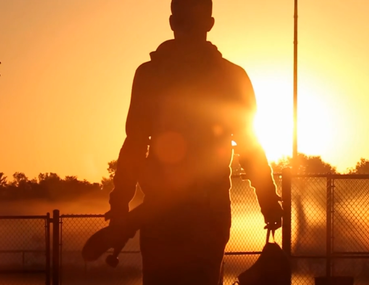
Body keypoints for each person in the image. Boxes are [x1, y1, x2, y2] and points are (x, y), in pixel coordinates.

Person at [108, 0, 283, 284]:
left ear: (172, 22)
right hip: (208, 210)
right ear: (210, 25)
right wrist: (267, 199)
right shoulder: (231, 76)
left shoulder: (150, 74)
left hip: (161, 213)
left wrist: (120, 204)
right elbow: (249, 145)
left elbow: (135, 144)